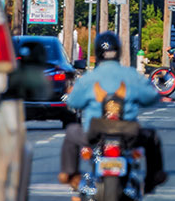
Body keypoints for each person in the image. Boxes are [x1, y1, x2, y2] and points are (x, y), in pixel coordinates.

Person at [59, 31, 167, 191]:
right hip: (128, 131)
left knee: (71, 131)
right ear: (119, 51)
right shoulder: (131, 75)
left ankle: (70, 174)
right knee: (152, 138)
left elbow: (74, 101)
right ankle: (153, 178)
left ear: (97, 53)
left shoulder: (90, 77)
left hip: (95, 132)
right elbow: (150, 97)